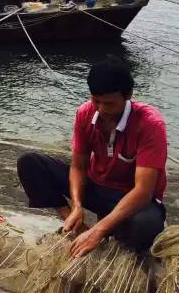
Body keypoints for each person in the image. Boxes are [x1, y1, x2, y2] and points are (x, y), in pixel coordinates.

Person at [17, 56, 167, 256]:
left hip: (129, 197)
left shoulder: (150, 123)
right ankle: (75, 225)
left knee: (147, 225)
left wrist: (99, 230)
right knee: (30, 163)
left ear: (128, 95)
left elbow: (143, 191)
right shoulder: (85, 113)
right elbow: (78, 166)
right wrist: (77, 207)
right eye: (96, 101)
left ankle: (110, 231)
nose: (102, 110)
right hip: (96, 187)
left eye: (109, 104)